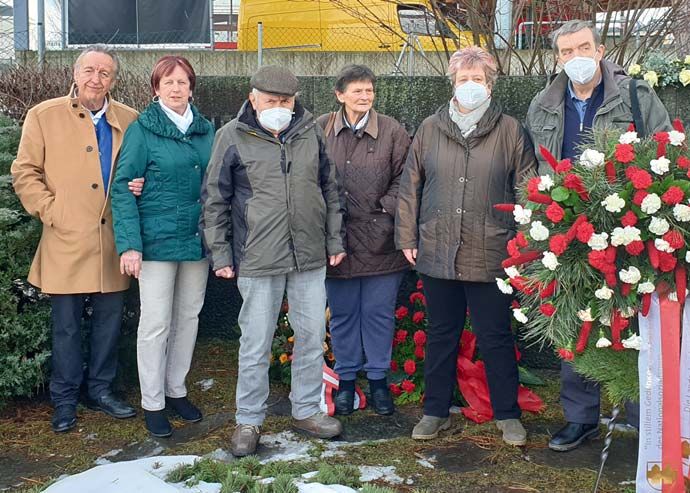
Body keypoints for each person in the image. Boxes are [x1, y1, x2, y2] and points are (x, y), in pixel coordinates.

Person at [525, 19, 671, 452]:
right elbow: (534, 169)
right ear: (557, 58)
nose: (576, 58)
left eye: (583, 47)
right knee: (575, 322)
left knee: (633, 321)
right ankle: (580, 418)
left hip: (628, 225)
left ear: (600, 50)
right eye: (566, 51)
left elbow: (665, 146)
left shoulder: (634, 94)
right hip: (569, 228)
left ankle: (642, 417)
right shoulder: (543, 105)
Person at [200, 65, 346, 457]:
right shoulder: (231, 136)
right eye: (271, 100)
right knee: (255, 341)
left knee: (312, 336)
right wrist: (220, 253)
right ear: (253, 98)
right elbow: (215, 199)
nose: (279, 107)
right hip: (257, 257)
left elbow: (330, 188)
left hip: (309, 254)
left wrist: (334, 239)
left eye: (285, 100)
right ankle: (249, 420)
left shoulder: (311, 132)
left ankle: (306, 410)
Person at [395, 46, 537, 446]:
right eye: (463, 79)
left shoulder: (510, 130)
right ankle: (434, 411)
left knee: (496, 335)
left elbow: (527, 189)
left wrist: (524, 244)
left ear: (490, 85)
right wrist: (407, 236)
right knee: (441, 333)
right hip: (437, 247)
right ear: (452, 83)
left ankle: (507, 415)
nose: (470, 85)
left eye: (478, 79)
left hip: (492, 250)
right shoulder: (430, 128)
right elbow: (410, 185)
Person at [11, 45, 138, 433]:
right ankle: (64, 399)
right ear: (75, 73)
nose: (96, 79)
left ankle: (100, 390)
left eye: (104, 72)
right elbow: (25, 172)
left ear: (113, 80)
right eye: (89, 70)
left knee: (109, 322)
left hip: (113, 239)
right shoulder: (44, 115)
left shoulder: (130, 119)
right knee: (65, 326)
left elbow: (140, 169)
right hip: (64, 238)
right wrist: (52, 211)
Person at [110, 56, 214, 438]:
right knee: (155, 323)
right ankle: (152, 402)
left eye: (182, 82)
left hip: (196, 241)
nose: (175, 88)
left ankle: (176, 390)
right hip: (155, 243)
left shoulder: (205, 130)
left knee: (188, 318)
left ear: (191, 88)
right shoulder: (142, 130)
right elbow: (123, 187)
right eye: (167, 82)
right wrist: (130, 245)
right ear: (156, 88)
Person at [316, 65, 410, 416]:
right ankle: (346, 380)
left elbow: (407, 176)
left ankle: (378, 380)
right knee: (342, 314)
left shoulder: (392, 130)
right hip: (336, 240)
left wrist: (385, 209)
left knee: (378, 313)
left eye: (369, 90)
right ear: (339, 95)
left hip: (380, 239)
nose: (365, 96)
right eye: (357, 90)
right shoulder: (321, 127)